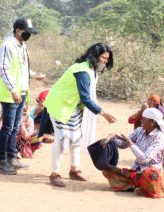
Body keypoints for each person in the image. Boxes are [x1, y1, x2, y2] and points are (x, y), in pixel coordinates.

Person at [44, 43, 118, 187]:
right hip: (61, 105)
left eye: (107, 59)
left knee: (77, 137)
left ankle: (74, 170)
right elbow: (85, 97)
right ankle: (55, 173)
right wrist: (103, 113)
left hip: (74, 106)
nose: (105, 61)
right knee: (60, 139)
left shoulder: (92, 69)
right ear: (95, 56)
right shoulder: (82, 70)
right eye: (103, 58)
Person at [0, 18, 45, 175]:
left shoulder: (22, 46)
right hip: (11, 94)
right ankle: (1, 161)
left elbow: (22, 67)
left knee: (15, 128)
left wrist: (34, 76)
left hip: (21, 92)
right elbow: (4, 69)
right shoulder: (7, 46)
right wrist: (13, 90)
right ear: (17, 30)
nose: (29, 35)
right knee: (7, 128)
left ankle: (11, 158)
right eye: (27, 32)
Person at [101, 108, 164, 198]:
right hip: (137, 171)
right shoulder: (140, 131)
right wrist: (111, 138)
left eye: (144, 119)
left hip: (150, 173)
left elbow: (145, 159)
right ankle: (139, 186)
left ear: (152, 122)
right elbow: (123, 144)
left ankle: (136, 185)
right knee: (108, 170)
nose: (141, 121)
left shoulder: (159, 138)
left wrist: (130, 143)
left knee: (150, 174)